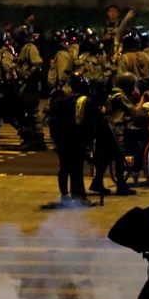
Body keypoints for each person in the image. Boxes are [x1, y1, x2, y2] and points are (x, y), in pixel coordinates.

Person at [47, 72, 94, 207]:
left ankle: (65, 196)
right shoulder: (84, 101)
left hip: (62, 138)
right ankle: (78, 195)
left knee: (64, 167)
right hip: (77, 138)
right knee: (77, 168)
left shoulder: (62, 99)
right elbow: (90, 123)